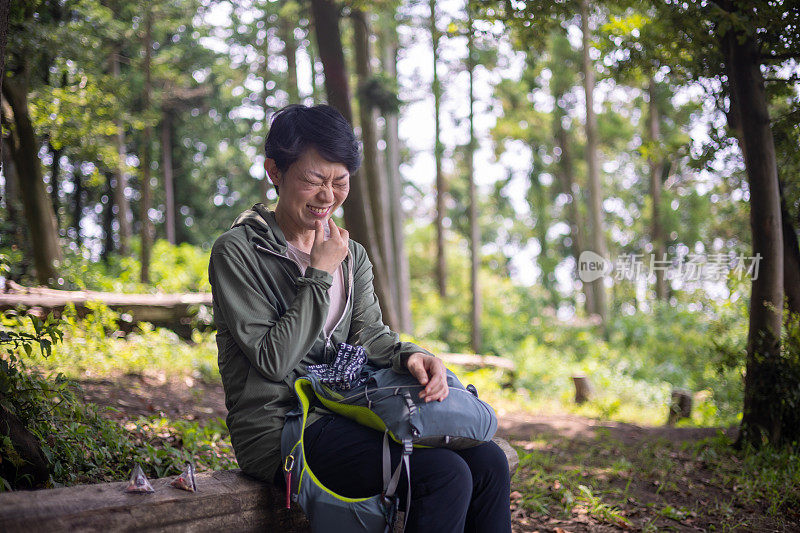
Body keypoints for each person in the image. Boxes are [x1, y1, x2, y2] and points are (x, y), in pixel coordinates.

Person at [208, 103, 511, 532]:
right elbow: (273, 360)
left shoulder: (353, 256)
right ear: (275, 172)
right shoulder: (237, 252)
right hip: (281, 427)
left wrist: (411, 355)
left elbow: (369, 333)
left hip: (347, 408)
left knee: (487, 461)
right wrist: (318, 273)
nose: (327, 196)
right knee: (443, 474)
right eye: (314, 180)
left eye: (339, 181)